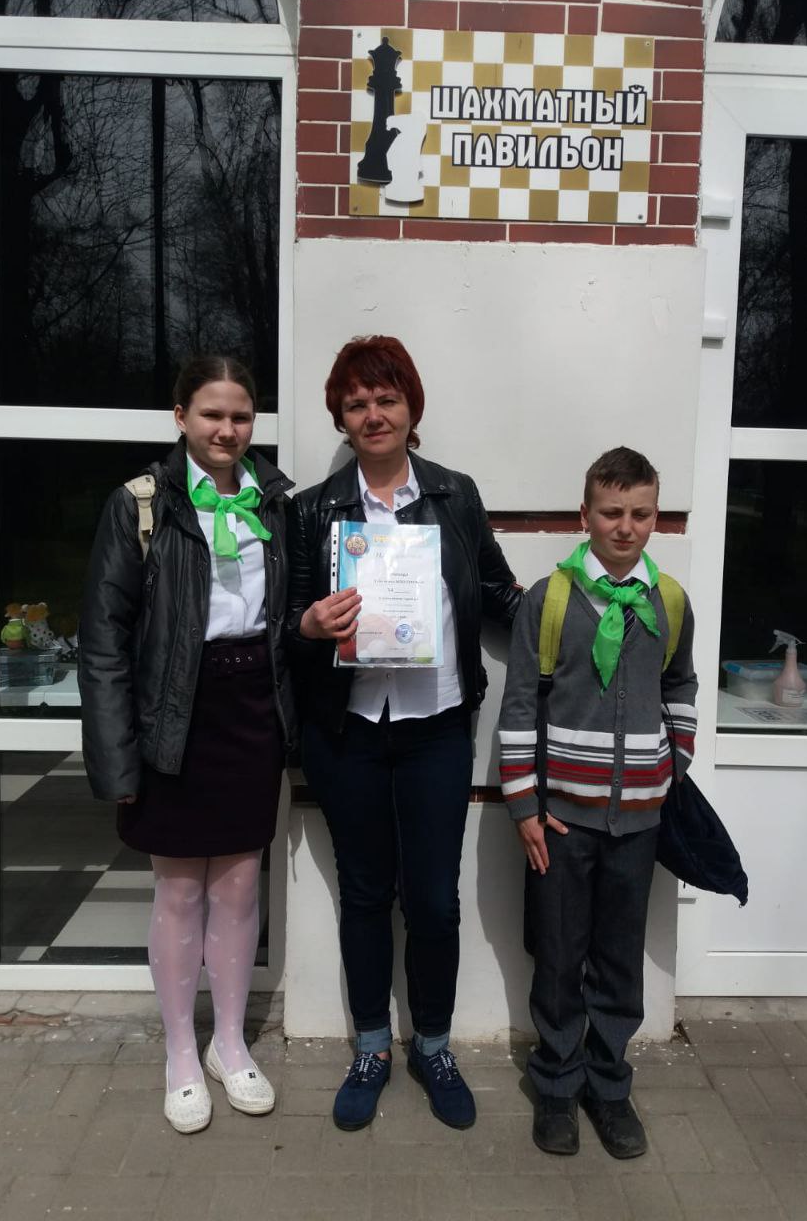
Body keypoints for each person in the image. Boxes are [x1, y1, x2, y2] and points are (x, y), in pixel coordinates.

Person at [286, 335, 521, 1132]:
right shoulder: (312, 510)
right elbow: (285, 625)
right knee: (363, 893)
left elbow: (494, 589)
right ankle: (370, 1048)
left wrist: (563, 612)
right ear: (341, 419)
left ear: (411, 407)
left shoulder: (455, 494)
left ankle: (435, 1046)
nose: (373, 414)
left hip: (436, 729)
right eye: (356, 403)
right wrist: (309, 625)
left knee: (433, 901)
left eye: (386, 399)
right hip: (348, 729)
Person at [79, 355, 296, 1135]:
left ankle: (229, 1044)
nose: (226, 429)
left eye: (240, 416)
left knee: (238, 888)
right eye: (211, 414)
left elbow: (290, 615)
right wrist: (117, 756)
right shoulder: (139, 503)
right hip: (172, 711)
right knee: (178, 891)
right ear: (181, 418)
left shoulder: (277, 502)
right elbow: (103, 641)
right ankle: (180, 1052)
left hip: (251, 709)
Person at [498, 447, 697, 1158]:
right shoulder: (550, 600)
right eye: (612, 513)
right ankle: (556, 1083)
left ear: (656, 517)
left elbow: (681, 684)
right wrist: (524, 804)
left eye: (640, 514)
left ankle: (609, 1086)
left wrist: (675, 760)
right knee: (557, 958)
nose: (625, 527)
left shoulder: (669, 601)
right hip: (561, 820)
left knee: (619, 958)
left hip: (638, 820)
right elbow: (520, 703)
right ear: (585, 515)